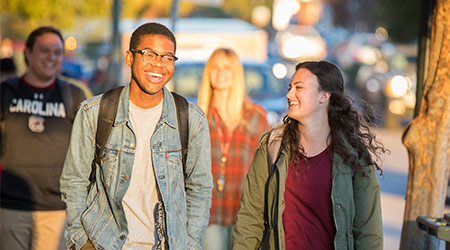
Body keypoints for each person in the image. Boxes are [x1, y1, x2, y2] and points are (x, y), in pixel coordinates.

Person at [60, 22, 212, 250]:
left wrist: (189, 244)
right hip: (105, 243)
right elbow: (74, 181)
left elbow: (199, 189)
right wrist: (81, 241)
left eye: (168, 57)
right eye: (149, 54)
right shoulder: (94, 113)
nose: (158, 64)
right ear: (129, 57)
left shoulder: (192, 118)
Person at [233, 61, 387, 250]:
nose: (289, 94)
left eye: (299, 87)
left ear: (324, 96)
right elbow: (251, 216)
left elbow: (369, 232)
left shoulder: (353, 155)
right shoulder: (273, 145)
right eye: (290, 88)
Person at [0, 26, 87, 250]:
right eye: (44, 51)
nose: (52, 58)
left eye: (57, 52)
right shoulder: (6, 91)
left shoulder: (73, 95)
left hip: (56, 208)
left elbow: (86, 151)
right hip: (10, 205)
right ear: (27, 53)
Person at [197, 48, 270, 250]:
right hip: (209, 213)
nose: (220, 72)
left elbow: (268, 168)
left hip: (246, 214)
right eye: (215, 67)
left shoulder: (255, 117)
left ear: (236, 73)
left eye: (227, 67)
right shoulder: (196, 117)